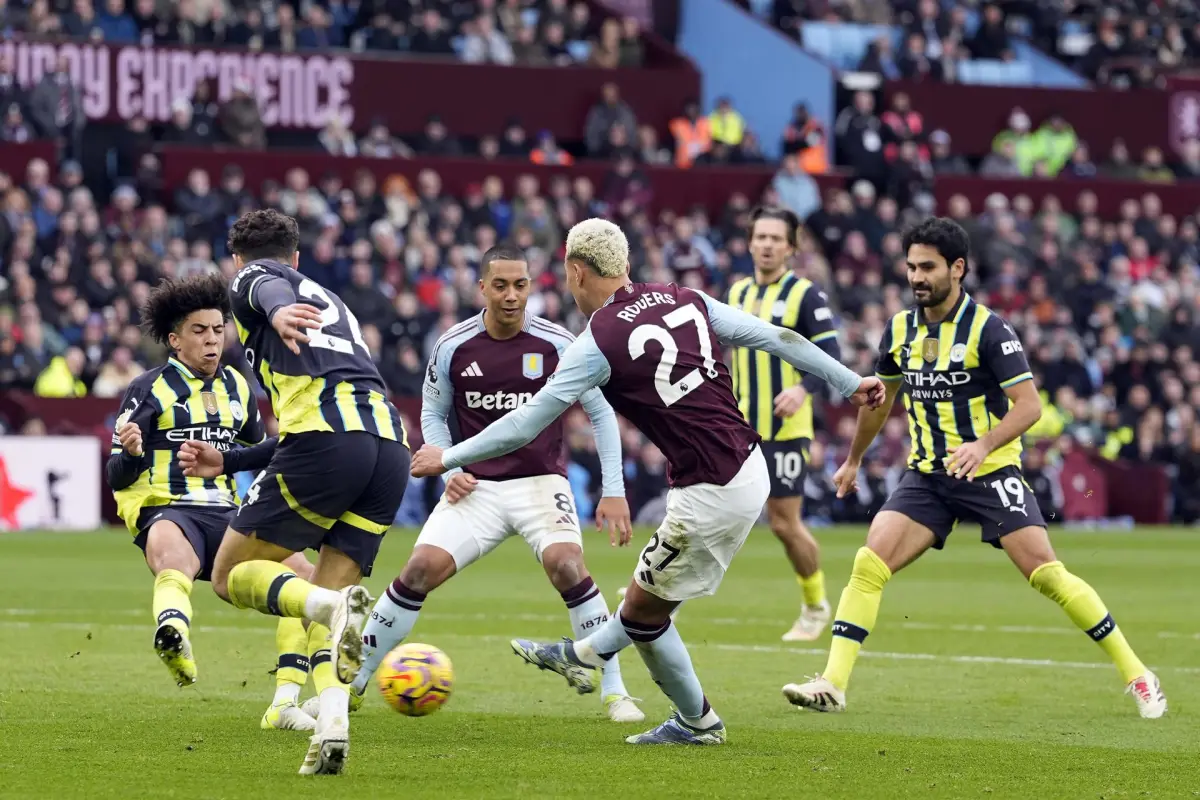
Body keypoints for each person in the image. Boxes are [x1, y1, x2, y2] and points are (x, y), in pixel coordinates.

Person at [407, 218, 884, 745]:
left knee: (639, 608)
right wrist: (847, 380)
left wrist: (448, 454)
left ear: (576, 271)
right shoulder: (685, 297)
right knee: (648, 608)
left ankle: (581, 654)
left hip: (712, 488)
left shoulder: (596, 343)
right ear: (627, 265)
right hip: (746, 462)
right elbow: (777, 337)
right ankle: (694, 720)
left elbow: (524, 423)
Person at [781, 218, 1167, 720]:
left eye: (928, 267)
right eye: (911, 267)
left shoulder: (989, 329)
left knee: (1046, 575)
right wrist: (854, 459)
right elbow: (879, 401)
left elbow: (1028, 406)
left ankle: (1138, 674)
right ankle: (832, 683)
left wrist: (983, 445)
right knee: (868, 562)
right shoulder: (900, 329)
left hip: (990, 472)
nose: (916, 277)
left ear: (957, 268)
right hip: (928, 477)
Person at [352, 244, 643, 724]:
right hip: (477, 487)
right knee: (420, 569)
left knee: (568, 565)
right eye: (502, 285)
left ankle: (614, 690)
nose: (512, 295)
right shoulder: (452, 346)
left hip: (540, 483)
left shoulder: (558, 343)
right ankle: (356, 675)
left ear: (532, 286)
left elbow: (600, 413)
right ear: (481, 287)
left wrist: (614, 490)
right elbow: (433, 414)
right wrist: (451, 469)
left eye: (521, 284)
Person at [178, 210, 410, 775]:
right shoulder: (335, 301)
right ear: (300, 256)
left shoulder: (254, 280)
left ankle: (336, 606)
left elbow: (263, 283)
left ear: (238, 259)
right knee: (324, 610)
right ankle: (333, 727)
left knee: (228, 577)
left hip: (328, 444)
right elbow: (298, 430)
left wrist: (277, 309)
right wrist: (229, 460)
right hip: (387, 447)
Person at [105, 273, 318, 732]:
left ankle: (285, 700)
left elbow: (263, 456)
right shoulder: (149, 387)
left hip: (226, 511)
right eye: (199, 331)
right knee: (172, 554)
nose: (212, 341)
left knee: (306, 576)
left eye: (219, 330)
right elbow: (116, 474)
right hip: (167, 505)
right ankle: (174, 635)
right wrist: (132, 451)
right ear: (174, 339)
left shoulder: (238, 388)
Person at [727, 207, 838, 641]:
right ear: (750, 242)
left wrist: (802, 390)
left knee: (783, 523)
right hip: (739, 426)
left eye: (777, 238)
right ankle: (661, 599)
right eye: (761, 237)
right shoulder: (736, 293)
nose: (768, 244)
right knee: (706, 509)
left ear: (791, 248)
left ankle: (815, 605)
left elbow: (830, 359)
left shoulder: (806, 296)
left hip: (785, 430)